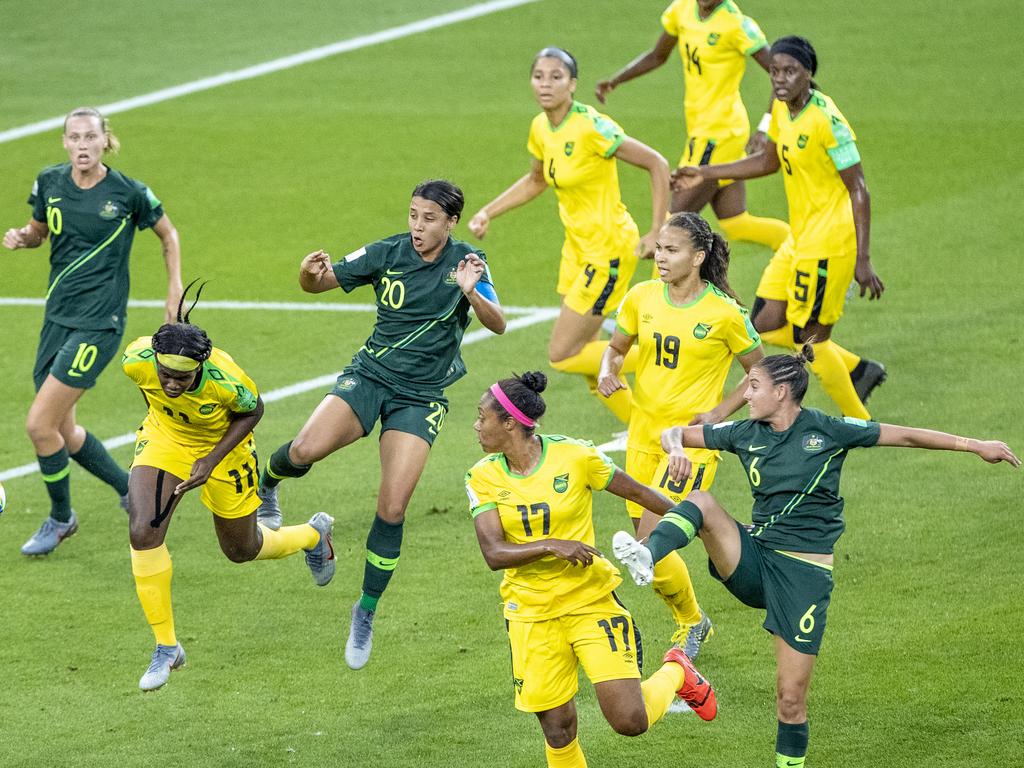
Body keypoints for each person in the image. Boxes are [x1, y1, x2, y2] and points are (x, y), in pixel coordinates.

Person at [611, 346, 1020, 768]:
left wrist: (975, 445)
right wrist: (676, 447)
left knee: (790, 700)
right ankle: (646, 554)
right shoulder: (744, 433)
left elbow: (906, 435)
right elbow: (674, 433)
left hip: (804, 577)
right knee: (702, 502)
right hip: (755, 559)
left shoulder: (827, 430)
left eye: (754, 386)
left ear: (782, 392)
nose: (746, 395)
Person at [255, 179, 506, 670]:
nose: (417, 226)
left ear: (451, 223)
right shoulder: (387, 251)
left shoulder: (468, 263)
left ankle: (364, 612)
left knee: (392, 507)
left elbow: (498, 323)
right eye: (413, 214)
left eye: (429, 218)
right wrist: (307, 275)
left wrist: (471, 293)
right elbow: (319, 283)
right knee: (304, 450)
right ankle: (268, 486)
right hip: (369, 376)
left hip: (421, 396)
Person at [466, 372, 717, 768]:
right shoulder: (482, 476)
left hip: (590, 602)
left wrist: (699, 520)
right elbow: (494, 553)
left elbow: (637, 491)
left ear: (510, 423)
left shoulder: (575, 456)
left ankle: (677, 671)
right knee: (559, 730)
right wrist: (553, 545)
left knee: (630, 721)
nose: (477, 425)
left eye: (483, 417)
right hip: (531, 615)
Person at [122, 284, 335, 691]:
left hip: (225, 451)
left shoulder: (226, 380)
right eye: (166, 374)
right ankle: (167, 647)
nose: (171, 384)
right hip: (166, 440)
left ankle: (312, 535)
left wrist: (211, 459)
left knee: (241, 550)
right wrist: (164, 434)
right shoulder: (136, 360)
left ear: (199, 368)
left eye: (182, 378)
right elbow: (154, 397)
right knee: (142, 531)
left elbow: (253, 410)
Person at [674, 36, 886, 421]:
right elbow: (767, 162)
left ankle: (864, 426)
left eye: (789, 71)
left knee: (812, 344)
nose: (780, 79)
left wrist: (863, 258)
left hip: (829, 244)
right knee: (764, 326)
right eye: (774, 71)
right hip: (799, 240)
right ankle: (857, 369)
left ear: (808, 73)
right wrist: (706, 172)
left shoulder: (827, 121)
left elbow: (859, 188)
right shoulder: (782, 110)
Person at [3, 106, 183, 556]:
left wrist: (173, 288)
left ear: (106, 140)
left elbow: (168, 234)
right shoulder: (50, 183)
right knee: (63, 429)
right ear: (64, 143)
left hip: (100, 323)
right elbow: (40, 230)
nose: (82, 145)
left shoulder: (127, 193)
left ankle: (62, 518)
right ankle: (129, 488)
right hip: (57, 317)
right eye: (74, 138)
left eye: (90, 137)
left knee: (39, 424)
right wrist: (24, 238)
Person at [468, 47, 670, 424]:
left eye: (556, 76)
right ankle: (652, 431)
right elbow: (535, 180)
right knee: (588, 358)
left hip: (608, 251)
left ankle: (667, 355)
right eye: (539, 76)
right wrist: (487, 212)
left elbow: (656, 163)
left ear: (572, 84)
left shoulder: (592, 126)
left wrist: (656, 230)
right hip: (578, 250)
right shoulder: (541, 128)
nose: (546, 84)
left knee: (563, 355)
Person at [597, 212, 763, 657]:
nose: (660, 258)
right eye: (660, 249)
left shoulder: (725, 314)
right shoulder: (641, 297)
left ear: (698, 256)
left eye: (671, 250)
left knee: (648, 544)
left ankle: (699, 601)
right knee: (645, 550)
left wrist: (718, 413)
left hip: (689, 446)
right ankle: (693, 621)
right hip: (642, 438)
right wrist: (607, 370)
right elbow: (615, 349)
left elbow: (759, 374)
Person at [595, 0, 790, 252]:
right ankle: (796, 244)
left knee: (670, 228)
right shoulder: (682, 9)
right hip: (700, 129)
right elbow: (658, 55)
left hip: (720, 133)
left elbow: (781, 74)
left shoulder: (736, 25)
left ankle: (658, 289)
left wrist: (767, 125)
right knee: (736, 223)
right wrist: (616, 80)